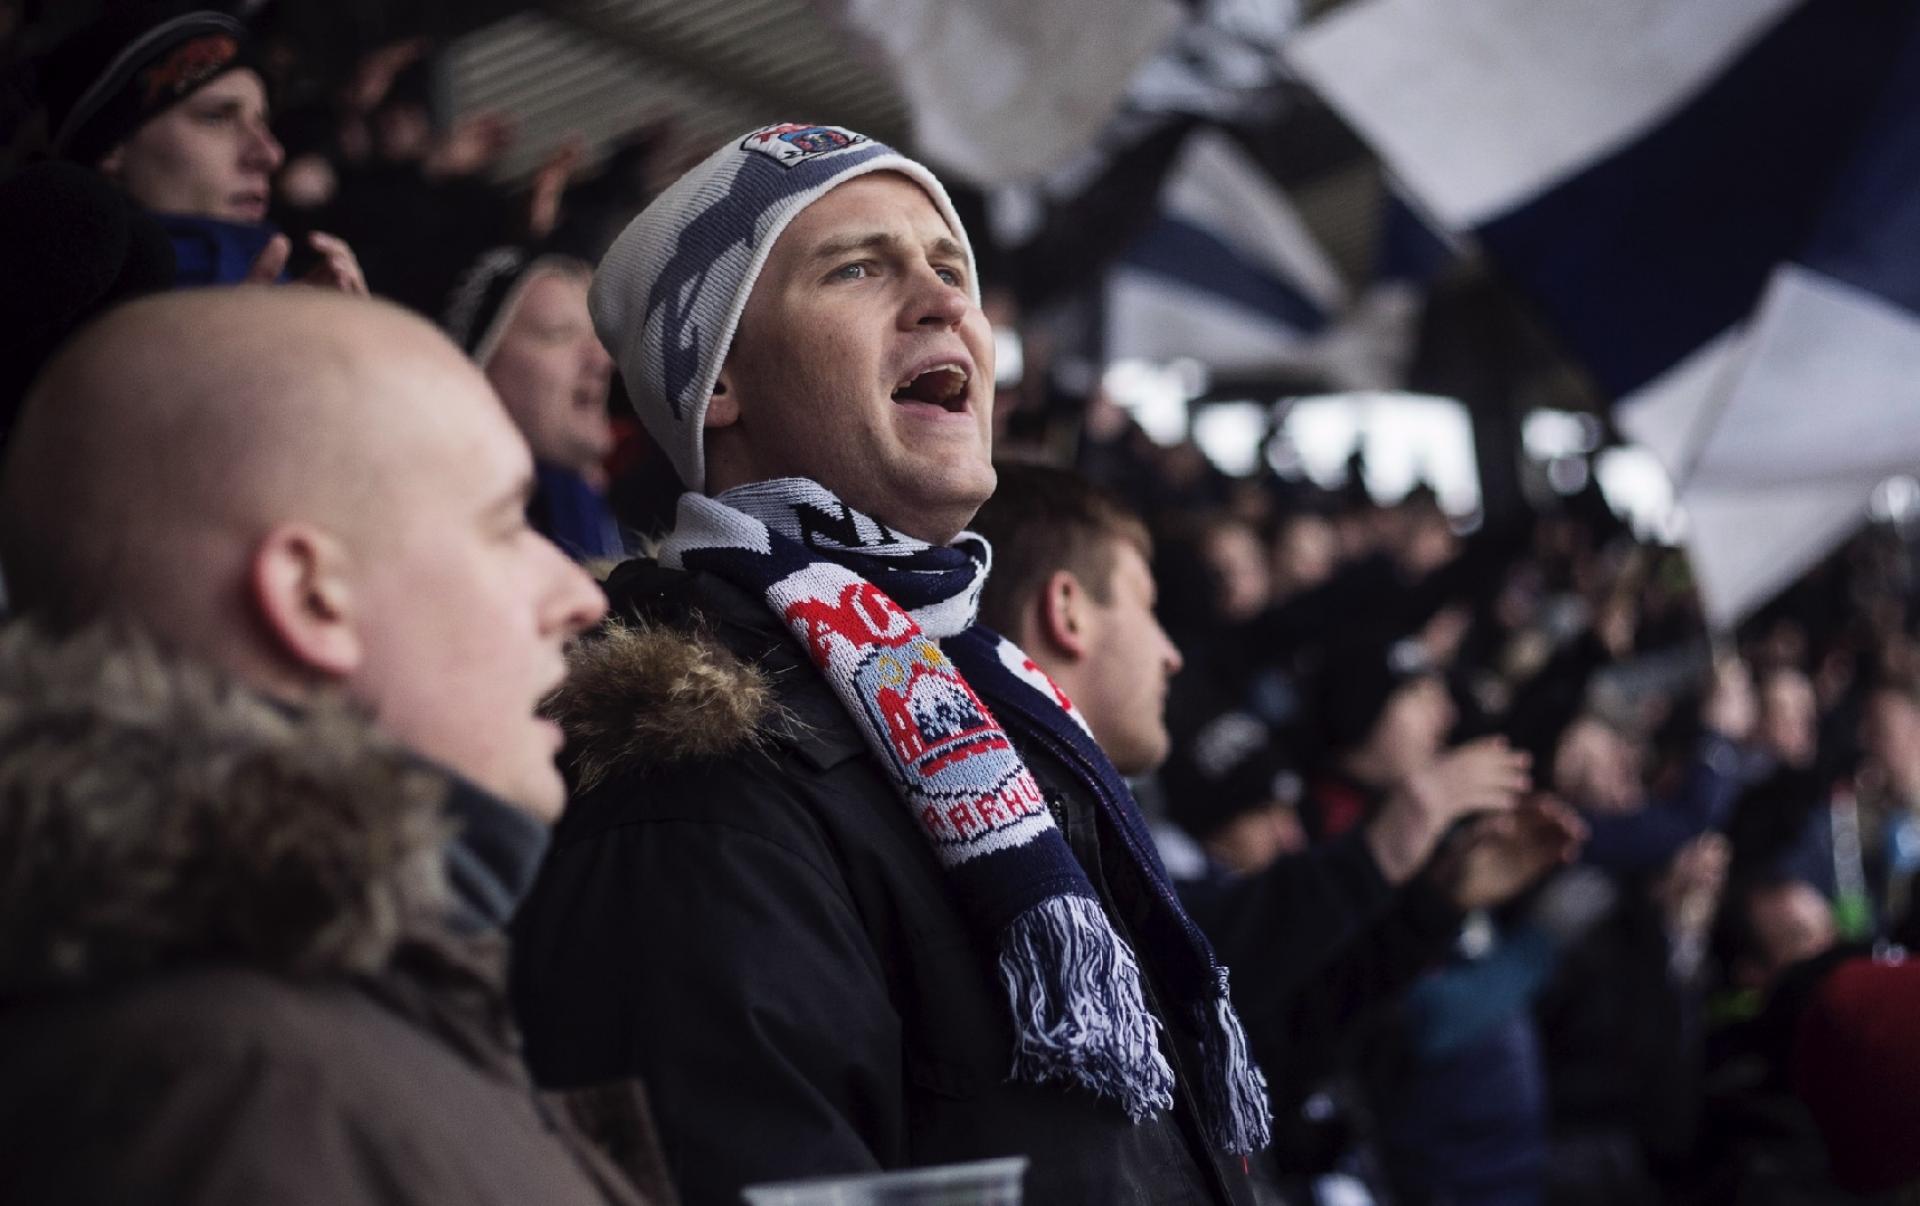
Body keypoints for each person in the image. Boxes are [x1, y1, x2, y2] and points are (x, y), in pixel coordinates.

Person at [513, 123, 1271, 1205]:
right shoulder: (687, 774)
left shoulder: (985, 691)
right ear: (718, 381)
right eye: (859, 267)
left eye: (949, 267)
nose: (943, 301)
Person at [0, 288, 669, 1204]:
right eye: (507, 526)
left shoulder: (307, 1038)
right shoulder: (245, 1102)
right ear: (314, 596)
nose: (579, 595)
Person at [40, 5, 365, 291]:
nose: (270, 154)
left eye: (263, 122)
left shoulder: (285, 276)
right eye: (215, 118)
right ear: (112, 148)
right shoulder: (58, 317)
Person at [444, 246, 622, 559]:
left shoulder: (599, 519)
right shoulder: (450, 540)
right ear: (476, 369)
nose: (602, 359)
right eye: (559, 333)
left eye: (599, 337)